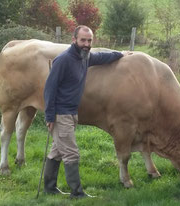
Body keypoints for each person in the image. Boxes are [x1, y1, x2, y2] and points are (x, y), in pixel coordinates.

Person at [43, 25, 127, 199]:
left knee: (57, 150)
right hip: (61, 113)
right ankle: (77, 192)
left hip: (72, 112)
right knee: (71, 152)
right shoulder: (63, 60)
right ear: (74, 40)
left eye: (89, 41)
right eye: (83, 40)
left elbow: (102, 57)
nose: (86, 44)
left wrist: (122, 54)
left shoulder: (85, 57)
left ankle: (49, 188)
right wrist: (50, 116)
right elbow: (49, 90)